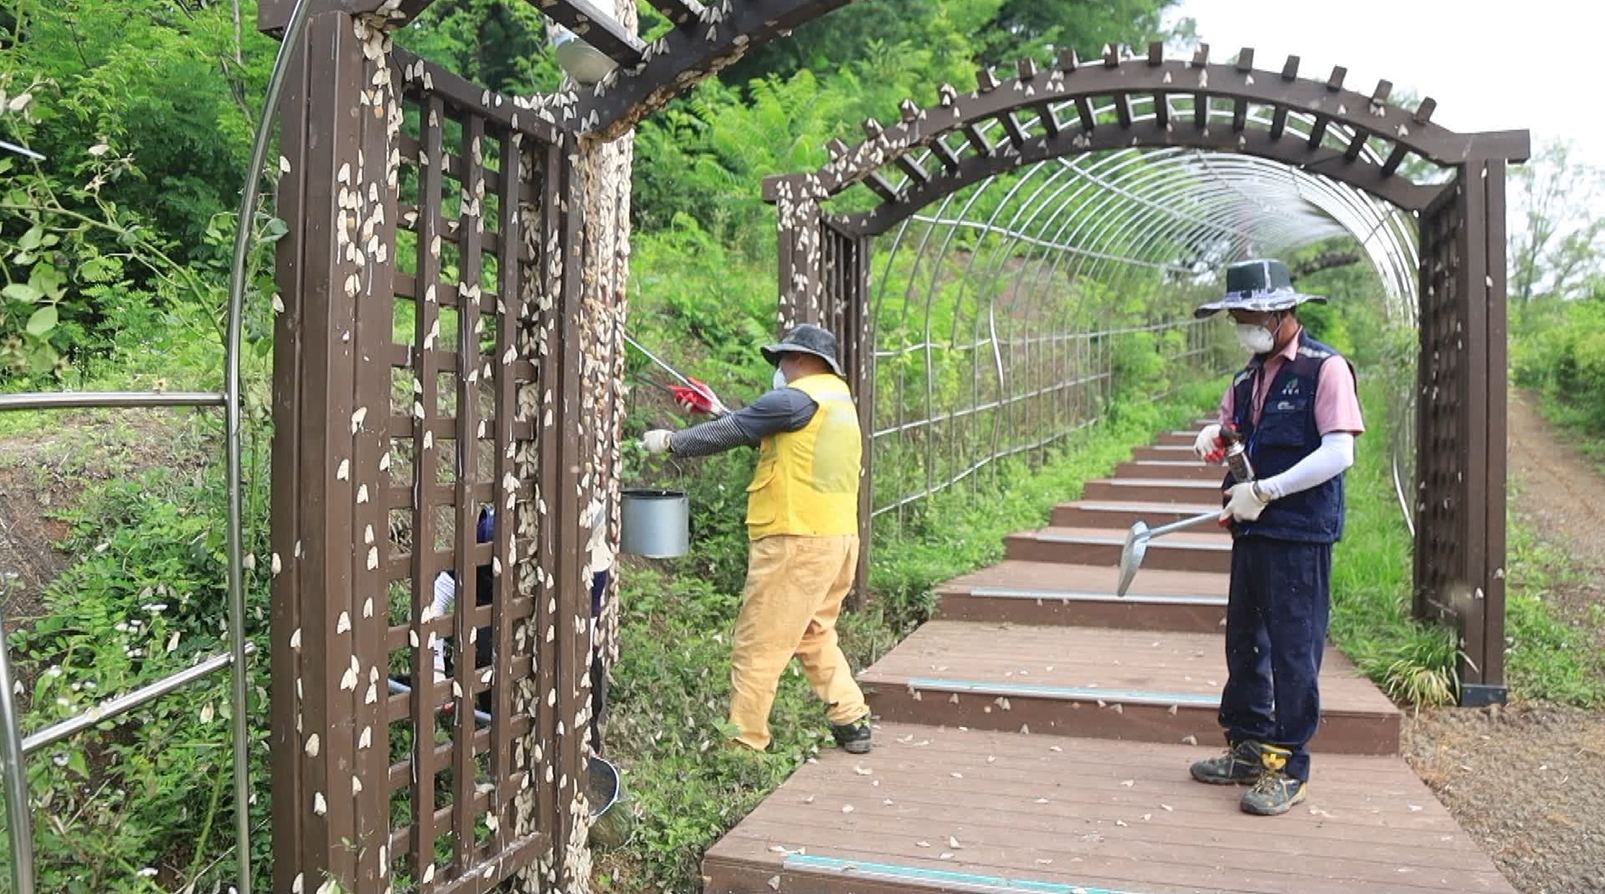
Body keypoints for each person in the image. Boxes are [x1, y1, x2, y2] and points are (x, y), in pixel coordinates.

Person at [639, 324, 871, 754]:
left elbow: (736, 431)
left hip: (795, 540)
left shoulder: (793, 398)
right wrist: (715, 411)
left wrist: (671, 441)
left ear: (800, 358)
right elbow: (763, 434)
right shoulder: (836, 402)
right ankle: (851, 717)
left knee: (758, 644)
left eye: (782, 359)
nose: (779, 368)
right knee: (814, 632)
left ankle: (743, 746)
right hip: (837, 540)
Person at [1186, 258, 1365, 816]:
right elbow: (1236, 431)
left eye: (1249, 313)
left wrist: (1266, 492)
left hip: (1300, 533)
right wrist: (1216, 434)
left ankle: (1288, 765)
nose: (1242, 322)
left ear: (1282, 310)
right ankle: (1245, 746)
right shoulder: (1245, 378)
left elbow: (1339, 451)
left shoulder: (1324, 369)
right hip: (1252, 533)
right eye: (1235, 314)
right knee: (1245, 643)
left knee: (1292, 651)